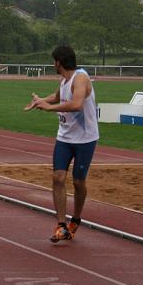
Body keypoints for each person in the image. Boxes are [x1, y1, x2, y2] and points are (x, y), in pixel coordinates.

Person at [26, 46, 99, 243]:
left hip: (85, 139)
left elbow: (76, 104)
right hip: (65, 139)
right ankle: (61, 224)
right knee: (58, 177)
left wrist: (49, 108)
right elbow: (58, 96)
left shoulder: (81, 78)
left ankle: (76, 219)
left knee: (78, 182)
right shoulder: (65, 80)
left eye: (54, 61)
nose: (53, 65)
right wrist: (41, 101)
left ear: (59, 62)